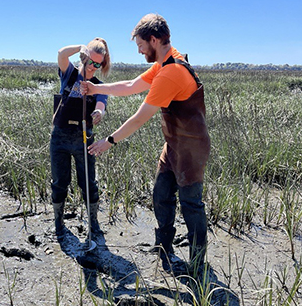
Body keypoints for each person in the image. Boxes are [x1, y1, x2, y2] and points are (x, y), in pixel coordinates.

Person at [81, 14, 210, 275]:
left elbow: (139, 118)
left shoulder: (171, 72)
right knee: (161, 195)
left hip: (192, 149)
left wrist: (109, 141)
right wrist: (95, 90)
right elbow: (131, 85)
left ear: (154, 39)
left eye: (140, 44)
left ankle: (197, 264)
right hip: (174, 145)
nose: (139, 50)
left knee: (191, 203)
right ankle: (164, 248)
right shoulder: (164, 62)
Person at [51, 37, 111, 238]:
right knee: (60, 180)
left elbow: (101, 105)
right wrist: (79, 47)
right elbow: (61, 53)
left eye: (98, 64)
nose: (94, 67)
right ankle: (58, 222)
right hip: (59, 137)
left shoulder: (99, 86)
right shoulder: (69, 74)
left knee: (88, 182)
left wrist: (98, 114)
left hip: (84, 139)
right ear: (84, 58)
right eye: (91, 61)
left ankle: (93, 222)